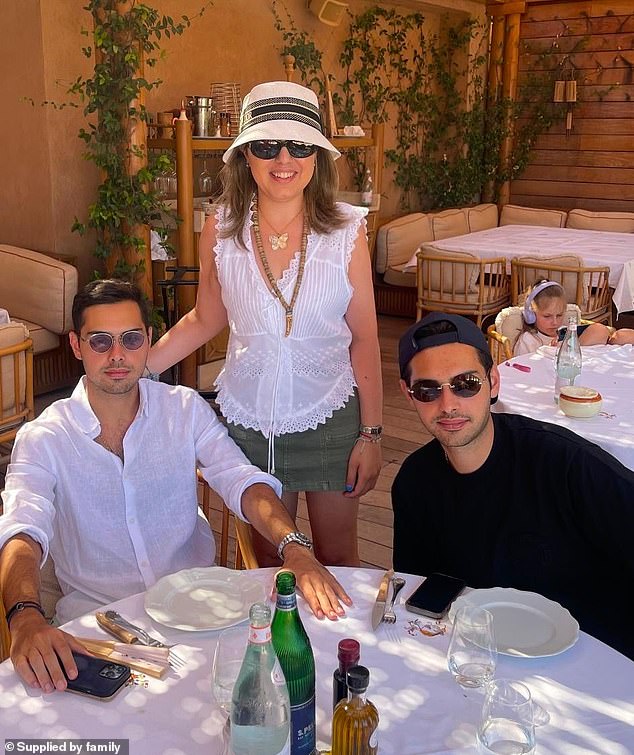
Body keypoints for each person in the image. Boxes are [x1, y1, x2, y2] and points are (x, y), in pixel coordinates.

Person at [0, 279, 352, 694]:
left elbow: (240, 478)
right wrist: (25, 615)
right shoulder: (45, 438)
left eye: (131, 339)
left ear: (148, 340)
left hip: (201, 613)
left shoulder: (183, 409)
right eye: (100, 341)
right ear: (77, 345)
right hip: (101, 629)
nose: (117, 355)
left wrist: (294, 546)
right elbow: (23, 528)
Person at [148, 81, 383, 567]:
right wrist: (140, 368)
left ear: (317, 156)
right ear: (245, 156)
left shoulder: (347, 229)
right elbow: (206, 317)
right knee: (270, 568)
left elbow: (364, 338)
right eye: (267, 145)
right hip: (251, 423)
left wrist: (372, 434)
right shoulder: (221, 227)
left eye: (299, 145)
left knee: (340, 560)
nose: (284, 158)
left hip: (331, 416)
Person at [392, 311, 634, 659]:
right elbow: (421, 595)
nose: (448, 405)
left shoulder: (566, 464)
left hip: (596, 656)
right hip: (480, 658)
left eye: (466, 383)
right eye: (427, 390)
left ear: (493, 381)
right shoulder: (414, 482)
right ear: (408, 394)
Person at [513, 279, 634, 355]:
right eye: (547, 316)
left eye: (559, 315)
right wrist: (551, 352)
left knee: (601, 330)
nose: (554, 322)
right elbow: (521, 369)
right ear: (531, 314)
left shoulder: (566, 332)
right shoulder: (528, 340)